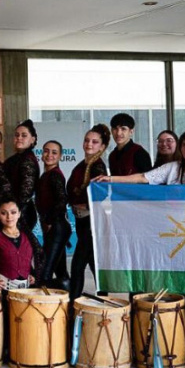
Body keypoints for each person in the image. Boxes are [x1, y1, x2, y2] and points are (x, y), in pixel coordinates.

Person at [67, 124, 110, 300]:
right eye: (87, 140)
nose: (89, 144)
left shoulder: (98, 166)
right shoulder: (82, 164)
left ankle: (73, 302)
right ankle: (104, 299)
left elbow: (102, 194)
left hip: (91, 223)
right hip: (81, 221)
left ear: (102, 146)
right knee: (92, 262)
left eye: (94, 142)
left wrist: (85, 205)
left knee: (77, 265)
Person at [95, 131, 185, 185]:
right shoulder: (172, 168)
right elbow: (143, 177)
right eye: (184, 145)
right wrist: (110, 179)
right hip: (174, 219)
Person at [36, 140, 71, 290]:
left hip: (57, 228)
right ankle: (70, 297)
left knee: (44, 275)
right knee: (61, 273)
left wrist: (49, 221)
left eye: (54, 152)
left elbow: (62, 200)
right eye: (46, 151)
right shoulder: (46, 175)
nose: (49, 155)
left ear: (60, 156)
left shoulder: (55, 175)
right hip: (55, 228)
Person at [3, 119, 40, 231]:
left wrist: (13, 212)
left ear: (32, 139)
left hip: (21, 213)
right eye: (17, 135)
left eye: (24, 135)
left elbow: (25, 193)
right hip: (13, 211)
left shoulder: (28, 160)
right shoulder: (15, 159)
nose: (19, 138)